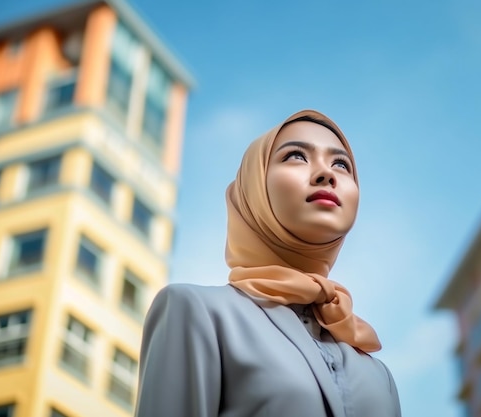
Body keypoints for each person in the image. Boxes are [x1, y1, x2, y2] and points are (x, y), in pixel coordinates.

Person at [134, 110, 401, 417]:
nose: (326, 174)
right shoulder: (196, 311)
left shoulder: (380, 376)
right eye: (297, 156)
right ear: (253, 188)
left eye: (341, 164)